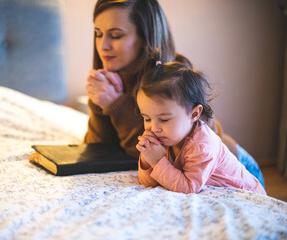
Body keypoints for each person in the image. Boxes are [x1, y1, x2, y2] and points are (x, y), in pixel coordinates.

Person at [84, 0, 264, 186]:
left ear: (146, 37)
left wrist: (116, 106)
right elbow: (99, 150)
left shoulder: (174, 77)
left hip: (237, 171)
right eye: (98, 34)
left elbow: (152, 150)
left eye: (115, 35)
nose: (103, 45)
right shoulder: (110, 79)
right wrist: (100, 102)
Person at [135, 61, 266, 195]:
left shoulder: (202, 146)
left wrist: (157, 162)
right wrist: (147, 159)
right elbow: (150, 182)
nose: (154, 128)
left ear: (194, 114)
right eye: (147, 118)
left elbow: (188, 188)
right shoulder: (166, 135)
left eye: (164, 119)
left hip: (245, 193)